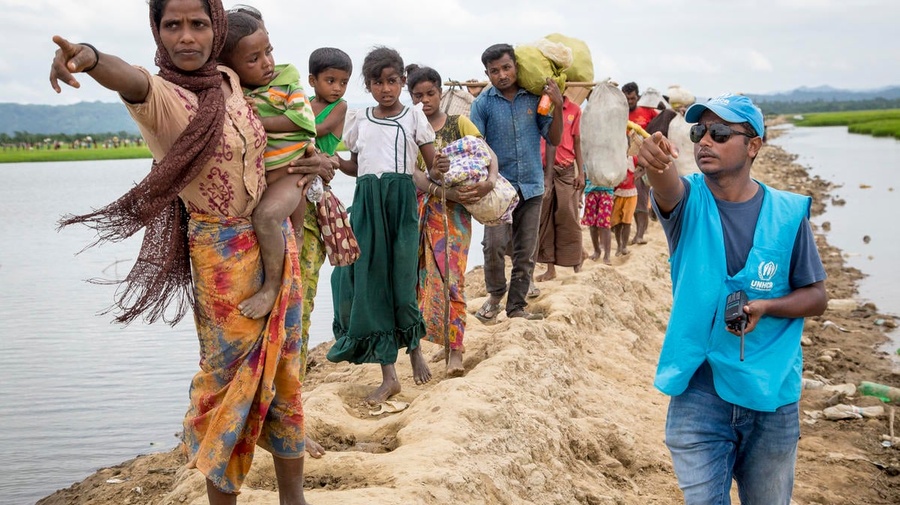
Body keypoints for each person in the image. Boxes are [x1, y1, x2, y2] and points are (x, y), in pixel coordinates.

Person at [48, 0, 326, 502]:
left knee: (285, 375)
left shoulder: (230, 80)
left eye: (198, 24)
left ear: (214, 28)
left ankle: (295, 499)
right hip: (220, 257)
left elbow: (274, 142)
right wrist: (87, 57)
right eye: (172, 25)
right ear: (156, 31)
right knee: (224, 388)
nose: (186, 37)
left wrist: (309, 163)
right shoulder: (162, 96)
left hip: (275, 244)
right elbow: (127, 78)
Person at [637, 93, 827, 504]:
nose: (705, 141)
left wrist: (767, 306)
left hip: (771, 392)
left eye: (720, 133)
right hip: (699, 391)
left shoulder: (787, 214)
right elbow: (665, 185)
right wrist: (656, 163)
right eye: (698, 131)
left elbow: (815, 295)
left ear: (754, 145)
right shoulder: (686, 202)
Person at [326, 47, 439, 405]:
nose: (385, 89)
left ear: (403, 82)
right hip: (367, 207)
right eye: (377, 82)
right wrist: (332, 160)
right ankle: (389, 376)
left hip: (402, 206)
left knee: (402, 282)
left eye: (392, 81)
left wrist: (444, 169)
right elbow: (356, 168)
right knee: (369, 284)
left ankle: (415, 347)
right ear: (369, 85)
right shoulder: (360, 120)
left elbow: (432, 167)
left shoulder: (414, 118)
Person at [218, 9, 317, 320]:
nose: (267, 63)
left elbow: (302, 121)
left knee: (266, 217)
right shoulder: (233, 91)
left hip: (291, 172)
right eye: (253, 59)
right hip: (262, 178)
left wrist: (256, 118)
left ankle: (272, 287)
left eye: (269, 51)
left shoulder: (286, 80)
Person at [406, 64, 498, 376]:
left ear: (440, 92)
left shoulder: (458, 122)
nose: (424, 100)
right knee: (420, 281)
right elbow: (415, 174)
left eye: (430, 93)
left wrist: (490, 180)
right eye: (417, 95)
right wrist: (440, 190)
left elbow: (487, 154)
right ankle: (435, 344)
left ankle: (456, 351)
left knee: (452, 279)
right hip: (420, 212)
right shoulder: (411, 128)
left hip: (454, 216)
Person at [469, 43, 563, 323]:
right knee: (494, 245)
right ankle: (496, 295)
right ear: (487, 74)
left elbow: (554, 139)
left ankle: (517, 307)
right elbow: (477, 147)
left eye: (506, 67)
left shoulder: (536, 100)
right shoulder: (482, 104)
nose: (502, 75)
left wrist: (557, 105)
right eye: (494, 71)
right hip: (498, 190)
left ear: (516, 67)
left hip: (531, 187)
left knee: (526, 250)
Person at [535, 94, 585, 281]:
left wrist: (581, 173)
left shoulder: (574, 109)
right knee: (545, 219)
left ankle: (577, 259)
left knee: (568, 216)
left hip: (566, 170)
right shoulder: (541, 106)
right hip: (542, 170)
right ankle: (550, 269)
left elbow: (577, 142)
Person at [611, 157, 641, 257]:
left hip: (631, 194)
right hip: (618, 194)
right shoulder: (614, 159)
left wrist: (638, 175)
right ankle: (619, 245)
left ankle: (624, 246)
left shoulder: (632, 160)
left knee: (627, 221)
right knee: (616, 222)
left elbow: (646, 165)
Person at [581, 181, 614, 265]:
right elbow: (584, 176)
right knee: (592, 225)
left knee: (605, 225)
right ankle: (597, 251)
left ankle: (607, 255)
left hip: (606, 192)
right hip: (590, 192)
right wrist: (580, 194)